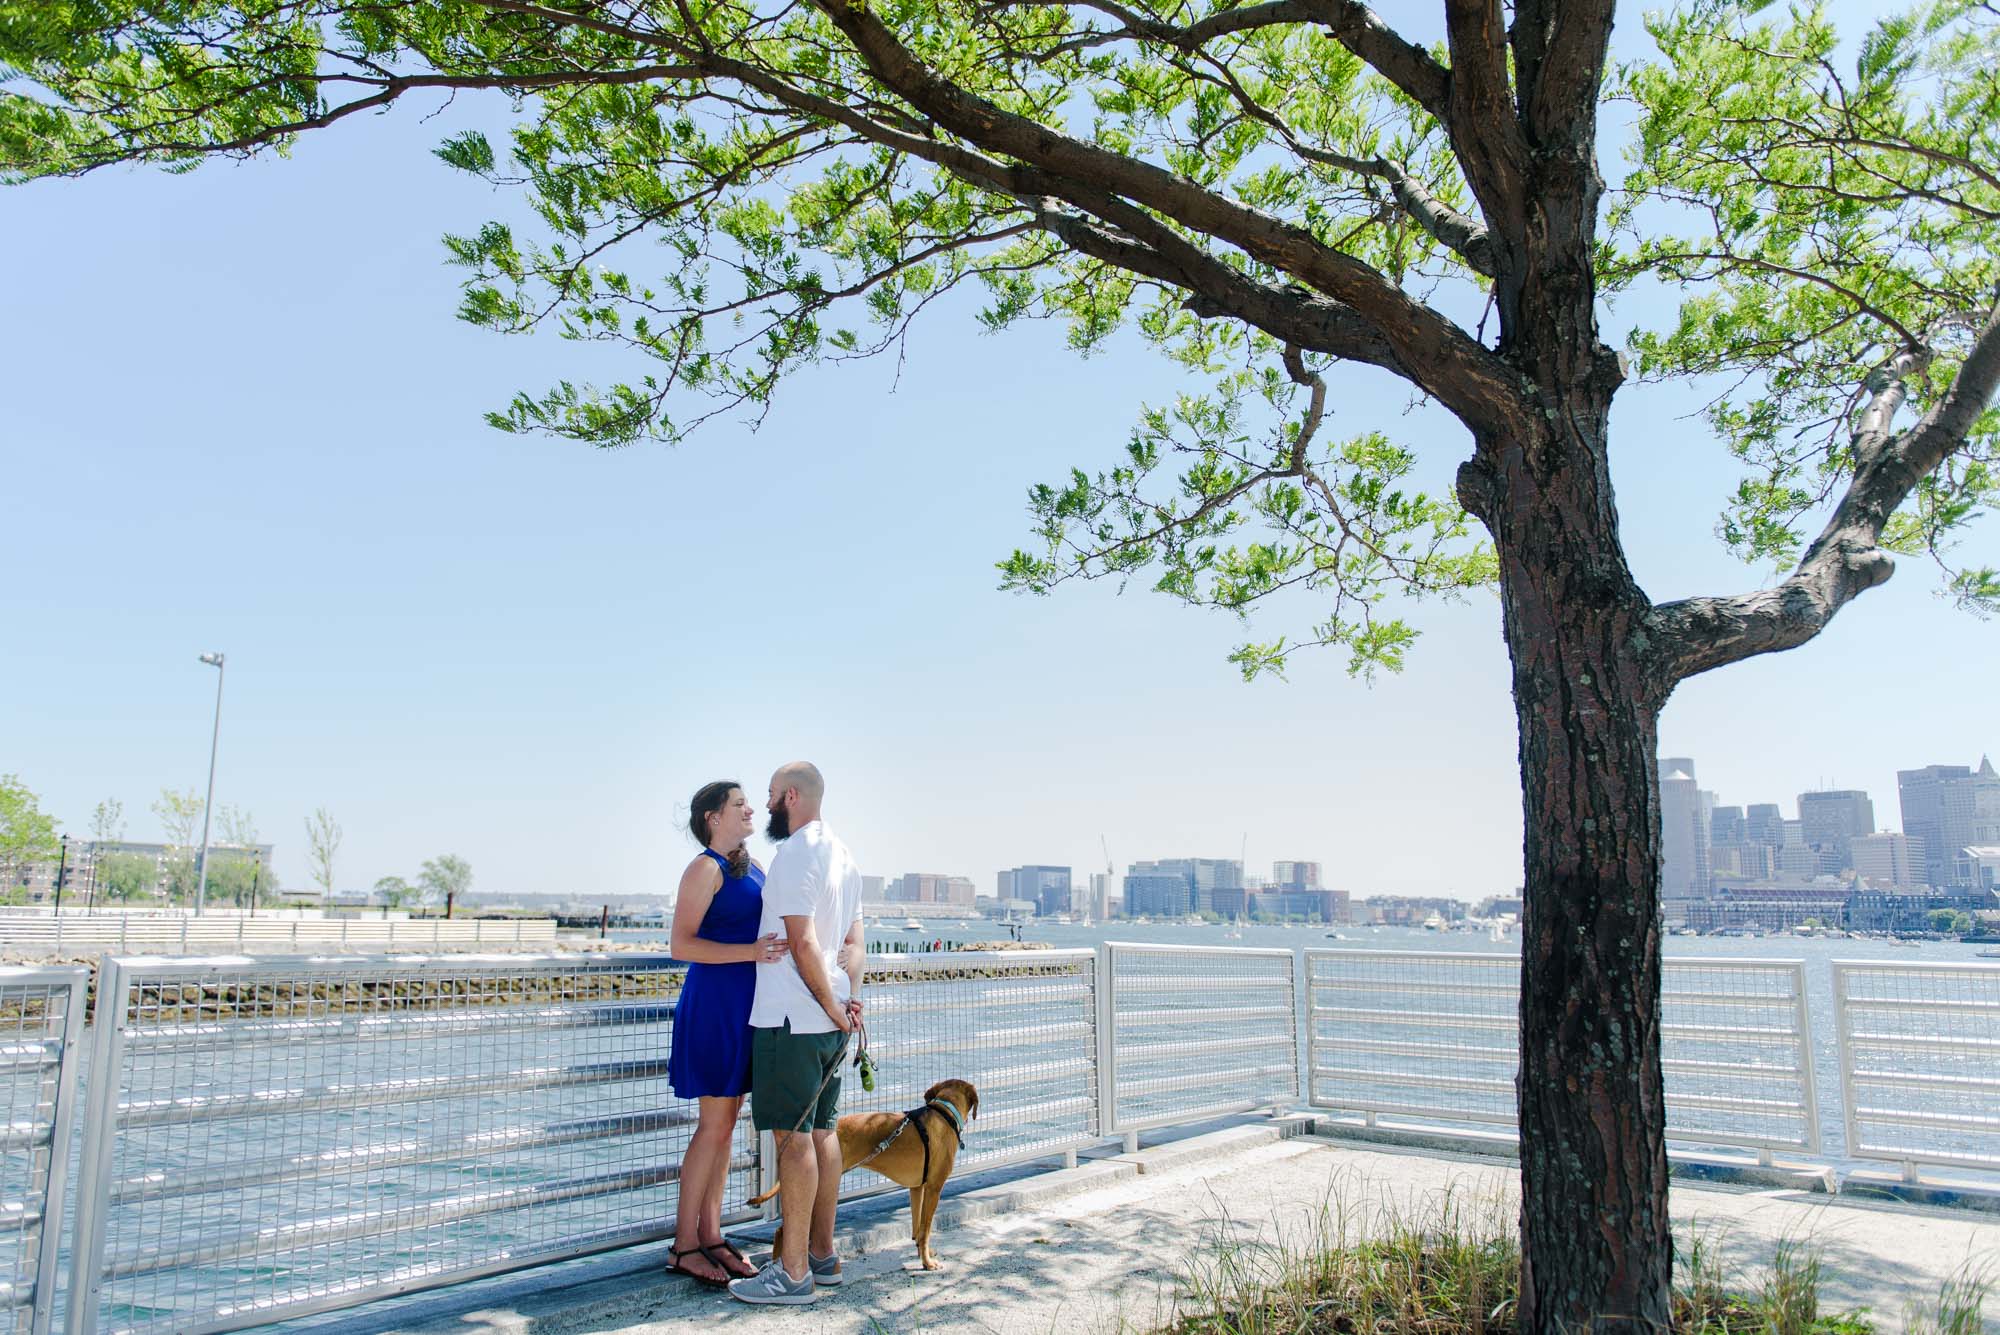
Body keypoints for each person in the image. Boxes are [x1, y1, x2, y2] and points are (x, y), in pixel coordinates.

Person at [728, 761, 866, 1306]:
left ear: (790, 795)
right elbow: (854, 942)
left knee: (791, 1138)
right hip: (829, 1020)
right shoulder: (842, 852)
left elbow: (802, 941)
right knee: (823, 1133)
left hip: (792, 1017)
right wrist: (848, 1001)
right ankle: (821, 1257)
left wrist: (830, 1006)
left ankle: (791, 1276)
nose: (763, 807)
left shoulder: (796, 854)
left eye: (768, 796)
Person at [665, 781, 789, 1288]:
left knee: (728, 1125)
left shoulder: (751, 864)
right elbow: (680, 944)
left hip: (746, 1009)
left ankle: (711, 1236)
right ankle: (683, 1246)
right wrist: (752, 952)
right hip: (715, 1006)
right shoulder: (704, 868)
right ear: (713, 817)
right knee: (713, 1127)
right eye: (739, 804)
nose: (750, 809)